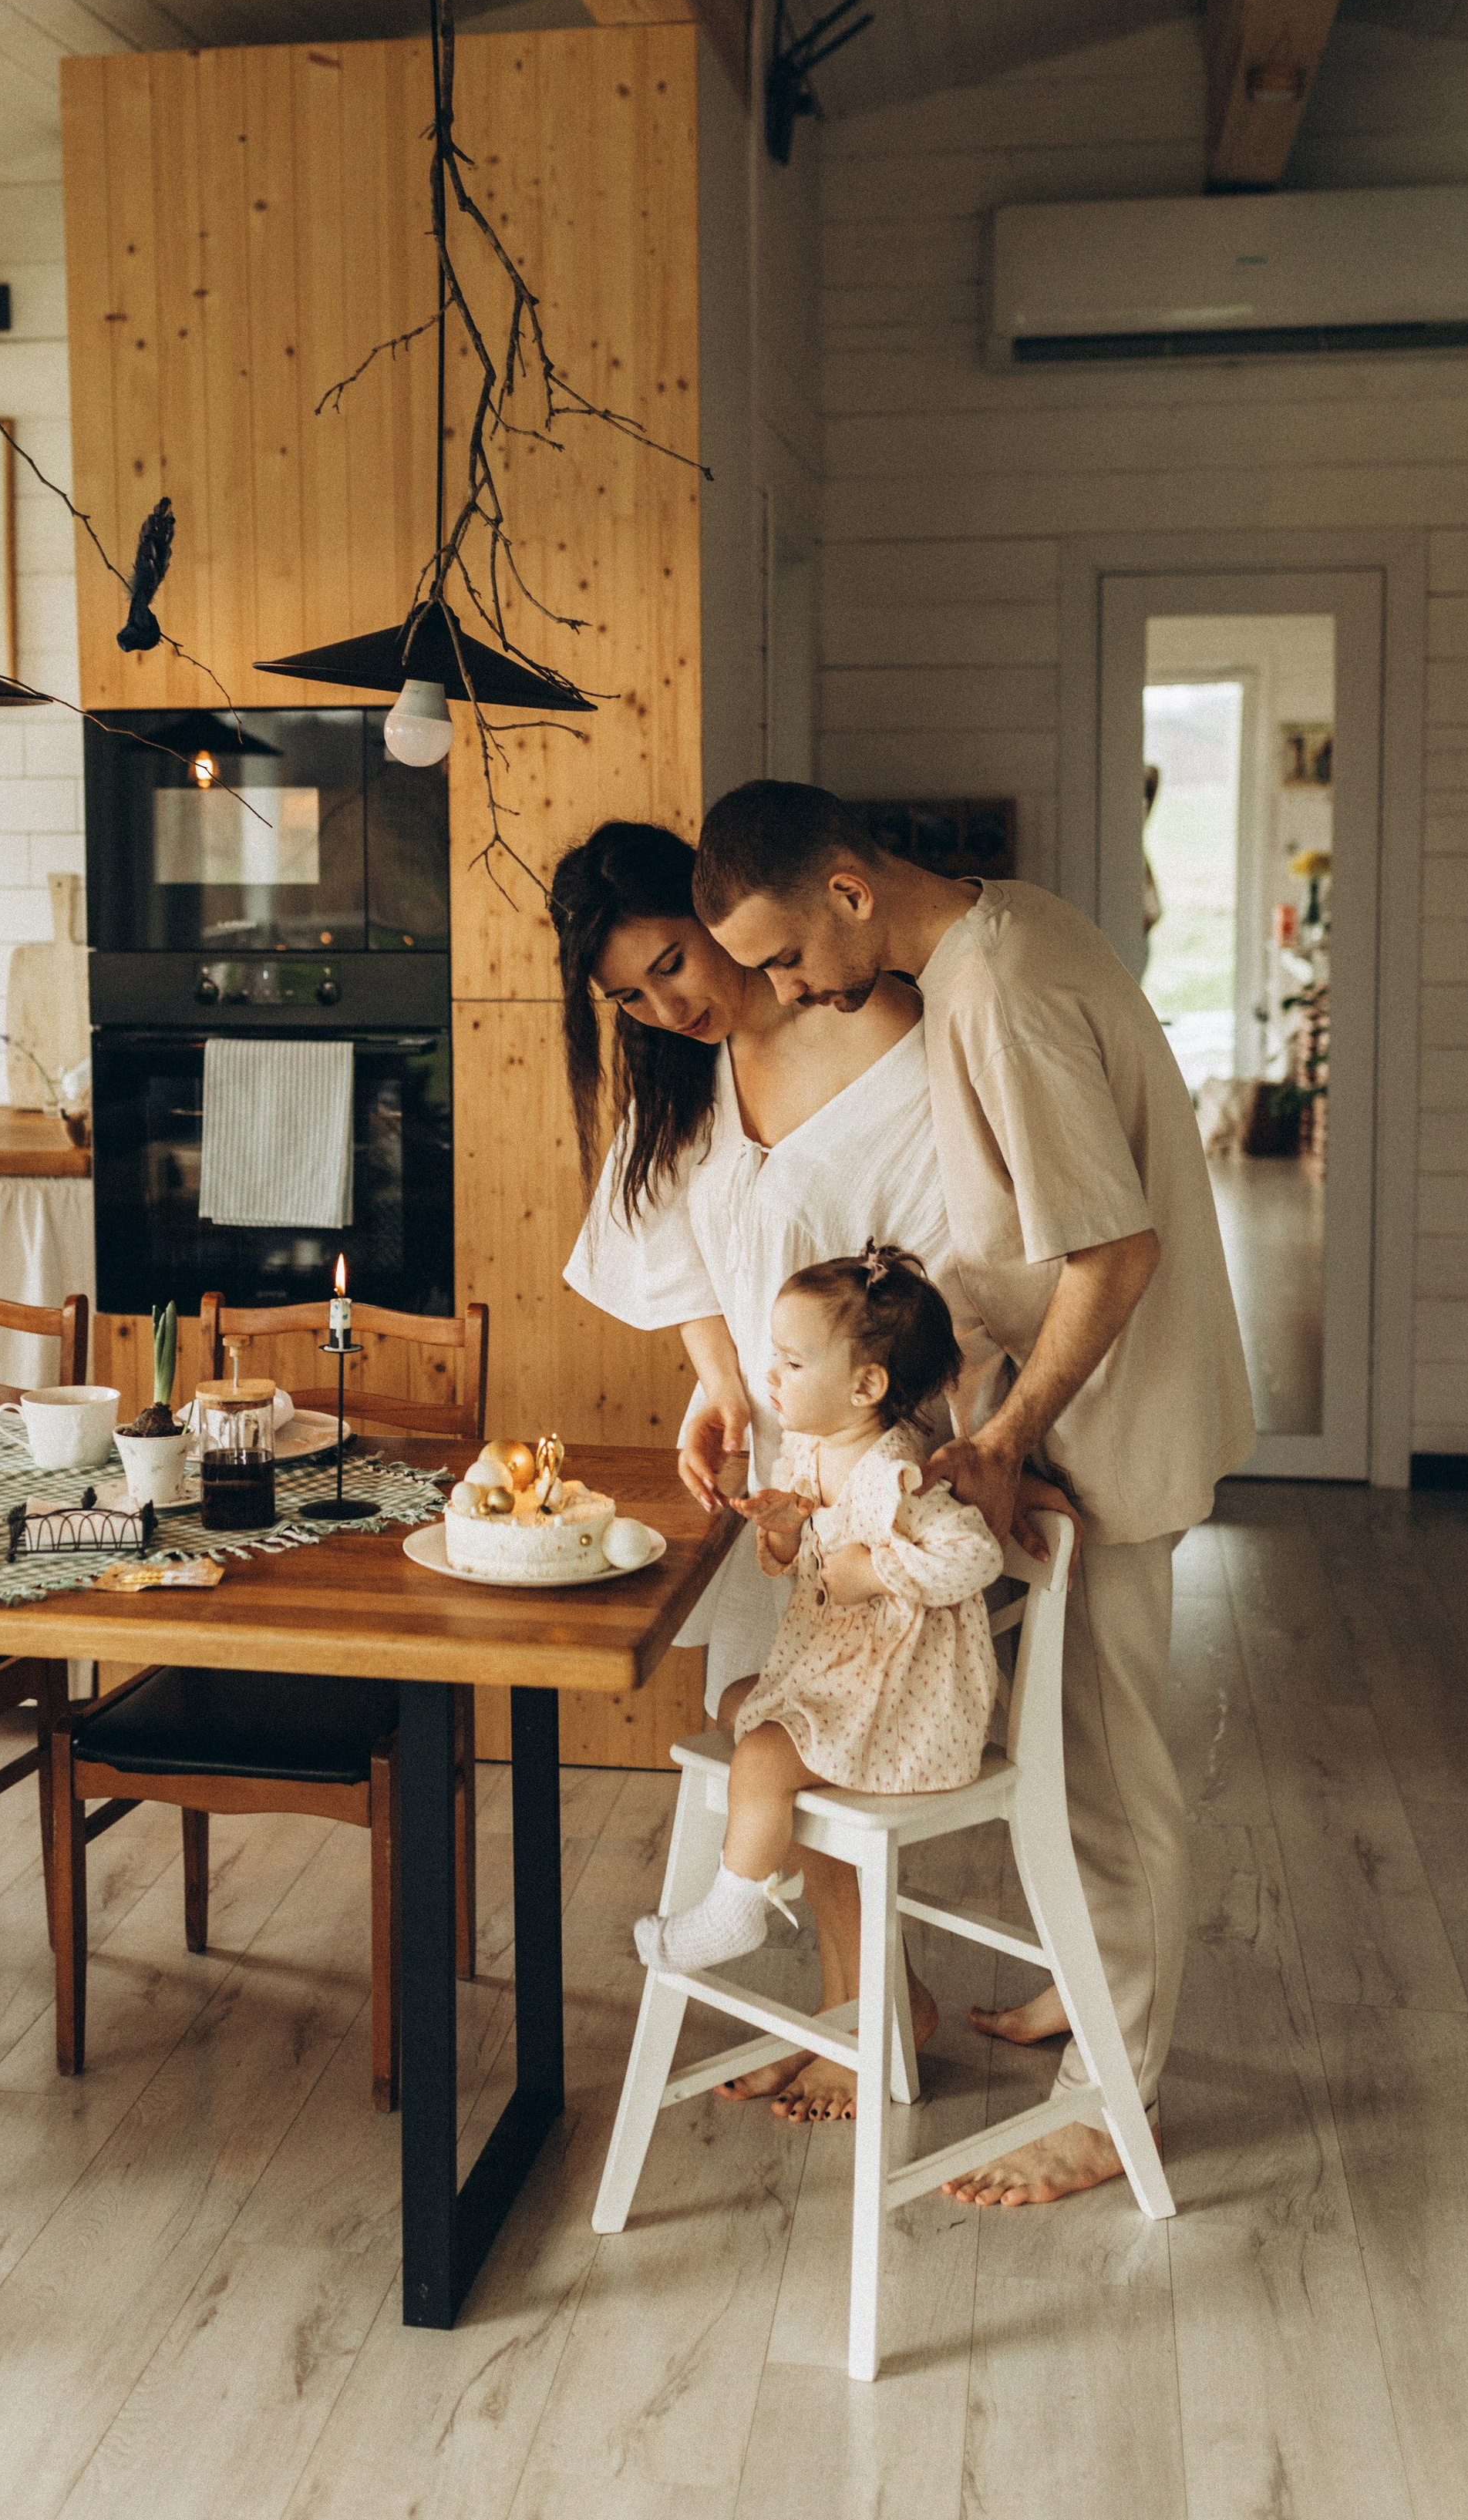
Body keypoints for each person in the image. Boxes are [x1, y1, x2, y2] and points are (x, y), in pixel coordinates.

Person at [692, 780, 1254, 2206]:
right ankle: (1087, 1993)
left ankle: (1104, 2102)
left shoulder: (994, 987)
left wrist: (1002, 1439)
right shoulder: (998, 940)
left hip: (1108, 1429)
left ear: (848, 888)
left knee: (1115, 1783)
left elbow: (1110, 1250)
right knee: (1068, 1770)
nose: (782, 987)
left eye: (781, 954)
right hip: (1077, 1422)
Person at [554, 819, 1004, 2114]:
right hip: (781, 1468)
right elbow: (681, 1245)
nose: (664, 1005)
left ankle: (870, 2020)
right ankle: (869, 2009)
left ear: (711, 909)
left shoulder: (893, 1038)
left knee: (829, 1741)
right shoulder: (683, 1078)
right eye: (629, 996)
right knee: (788, 1732)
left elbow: (962, 1270)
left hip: (876, 1469)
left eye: (672, 965)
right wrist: (713, 1381)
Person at [636, 1247, 1003, 1979]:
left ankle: (734, 1908)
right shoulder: (812, 1452)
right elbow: (813, 1563)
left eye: (793, 1363)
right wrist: (784, 1531)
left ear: (867, 1384)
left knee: (766, 1750)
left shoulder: (896, 1474)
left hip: (905, 1700)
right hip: (845, 1676)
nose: (771, 1375)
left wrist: (875, 1568)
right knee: (734, 1703)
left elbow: (976, 1556)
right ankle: (773, 1858)